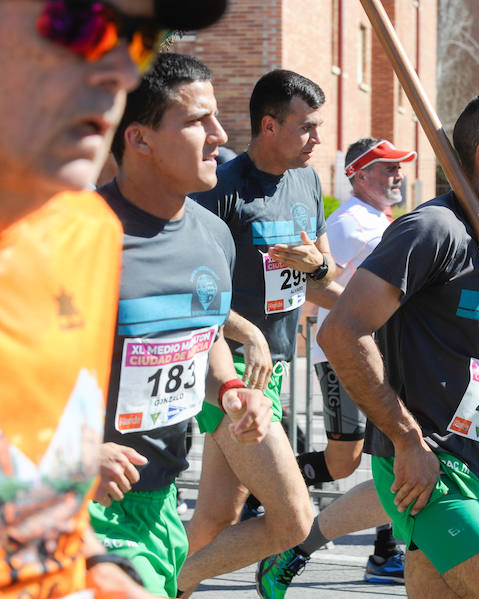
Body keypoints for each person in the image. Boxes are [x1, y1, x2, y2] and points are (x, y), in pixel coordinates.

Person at [0, 2, 225, 598]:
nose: (122, 70)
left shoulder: (86, 232)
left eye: (140, 37)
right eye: (79, 20)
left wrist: (100, 569)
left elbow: (34, 491)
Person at [318, 91, 479, 599]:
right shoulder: (430, 231)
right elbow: (340, 332)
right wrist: (408, 441)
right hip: (423, 466)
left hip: (478, 459)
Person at [89, 53, 279, 596]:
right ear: (140, 139)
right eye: (197, 121)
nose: (220, 134)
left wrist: (235, 390)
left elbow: (205, 338)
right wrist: (76, 454)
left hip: (163, 505)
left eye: (216, 118)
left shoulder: (212, 234)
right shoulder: (78, 240)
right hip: (80, 509)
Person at [182, 69, 333, 593]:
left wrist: (316, 266)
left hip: (275, 368)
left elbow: (324, 271)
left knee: (219, 515)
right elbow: (194, 291)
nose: (318, 138)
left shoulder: (309, 181)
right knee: (294, 519)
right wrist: (252, 334)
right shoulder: (220, 189)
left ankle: (174, 587)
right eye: (307, 127)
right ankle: (160, 583)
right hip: (228, 369)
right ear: (269, 126)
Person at [257, 138, 416, 595]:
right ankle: (262, 487)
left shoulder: (380, 220)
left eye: (399, 168)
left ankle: (386, 552)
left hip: (383, 355)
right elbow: (314, 285)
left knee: (395, 452)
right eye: (386, 169)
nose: (396, 176)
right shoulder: (346, 223)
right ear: (358, 175)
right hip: (345, 356)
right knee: (343, 463)